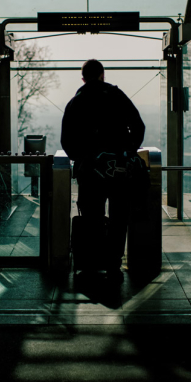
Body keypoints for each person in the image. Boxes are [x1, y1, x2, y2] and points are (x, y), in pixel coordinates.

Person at [61, 59, 145, 284]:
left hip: (89, 173)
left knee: (92, 217)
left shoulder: (75, 102)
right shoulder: (116, 96)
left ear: (83, 78)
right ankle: (113, 265)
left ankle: (90, 264)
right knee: (119, 218)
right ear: (102, 75)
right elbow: (138, 126)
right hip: (118, 171)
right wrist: (128, 151)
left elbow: (67, 142)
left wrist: (83, 158)